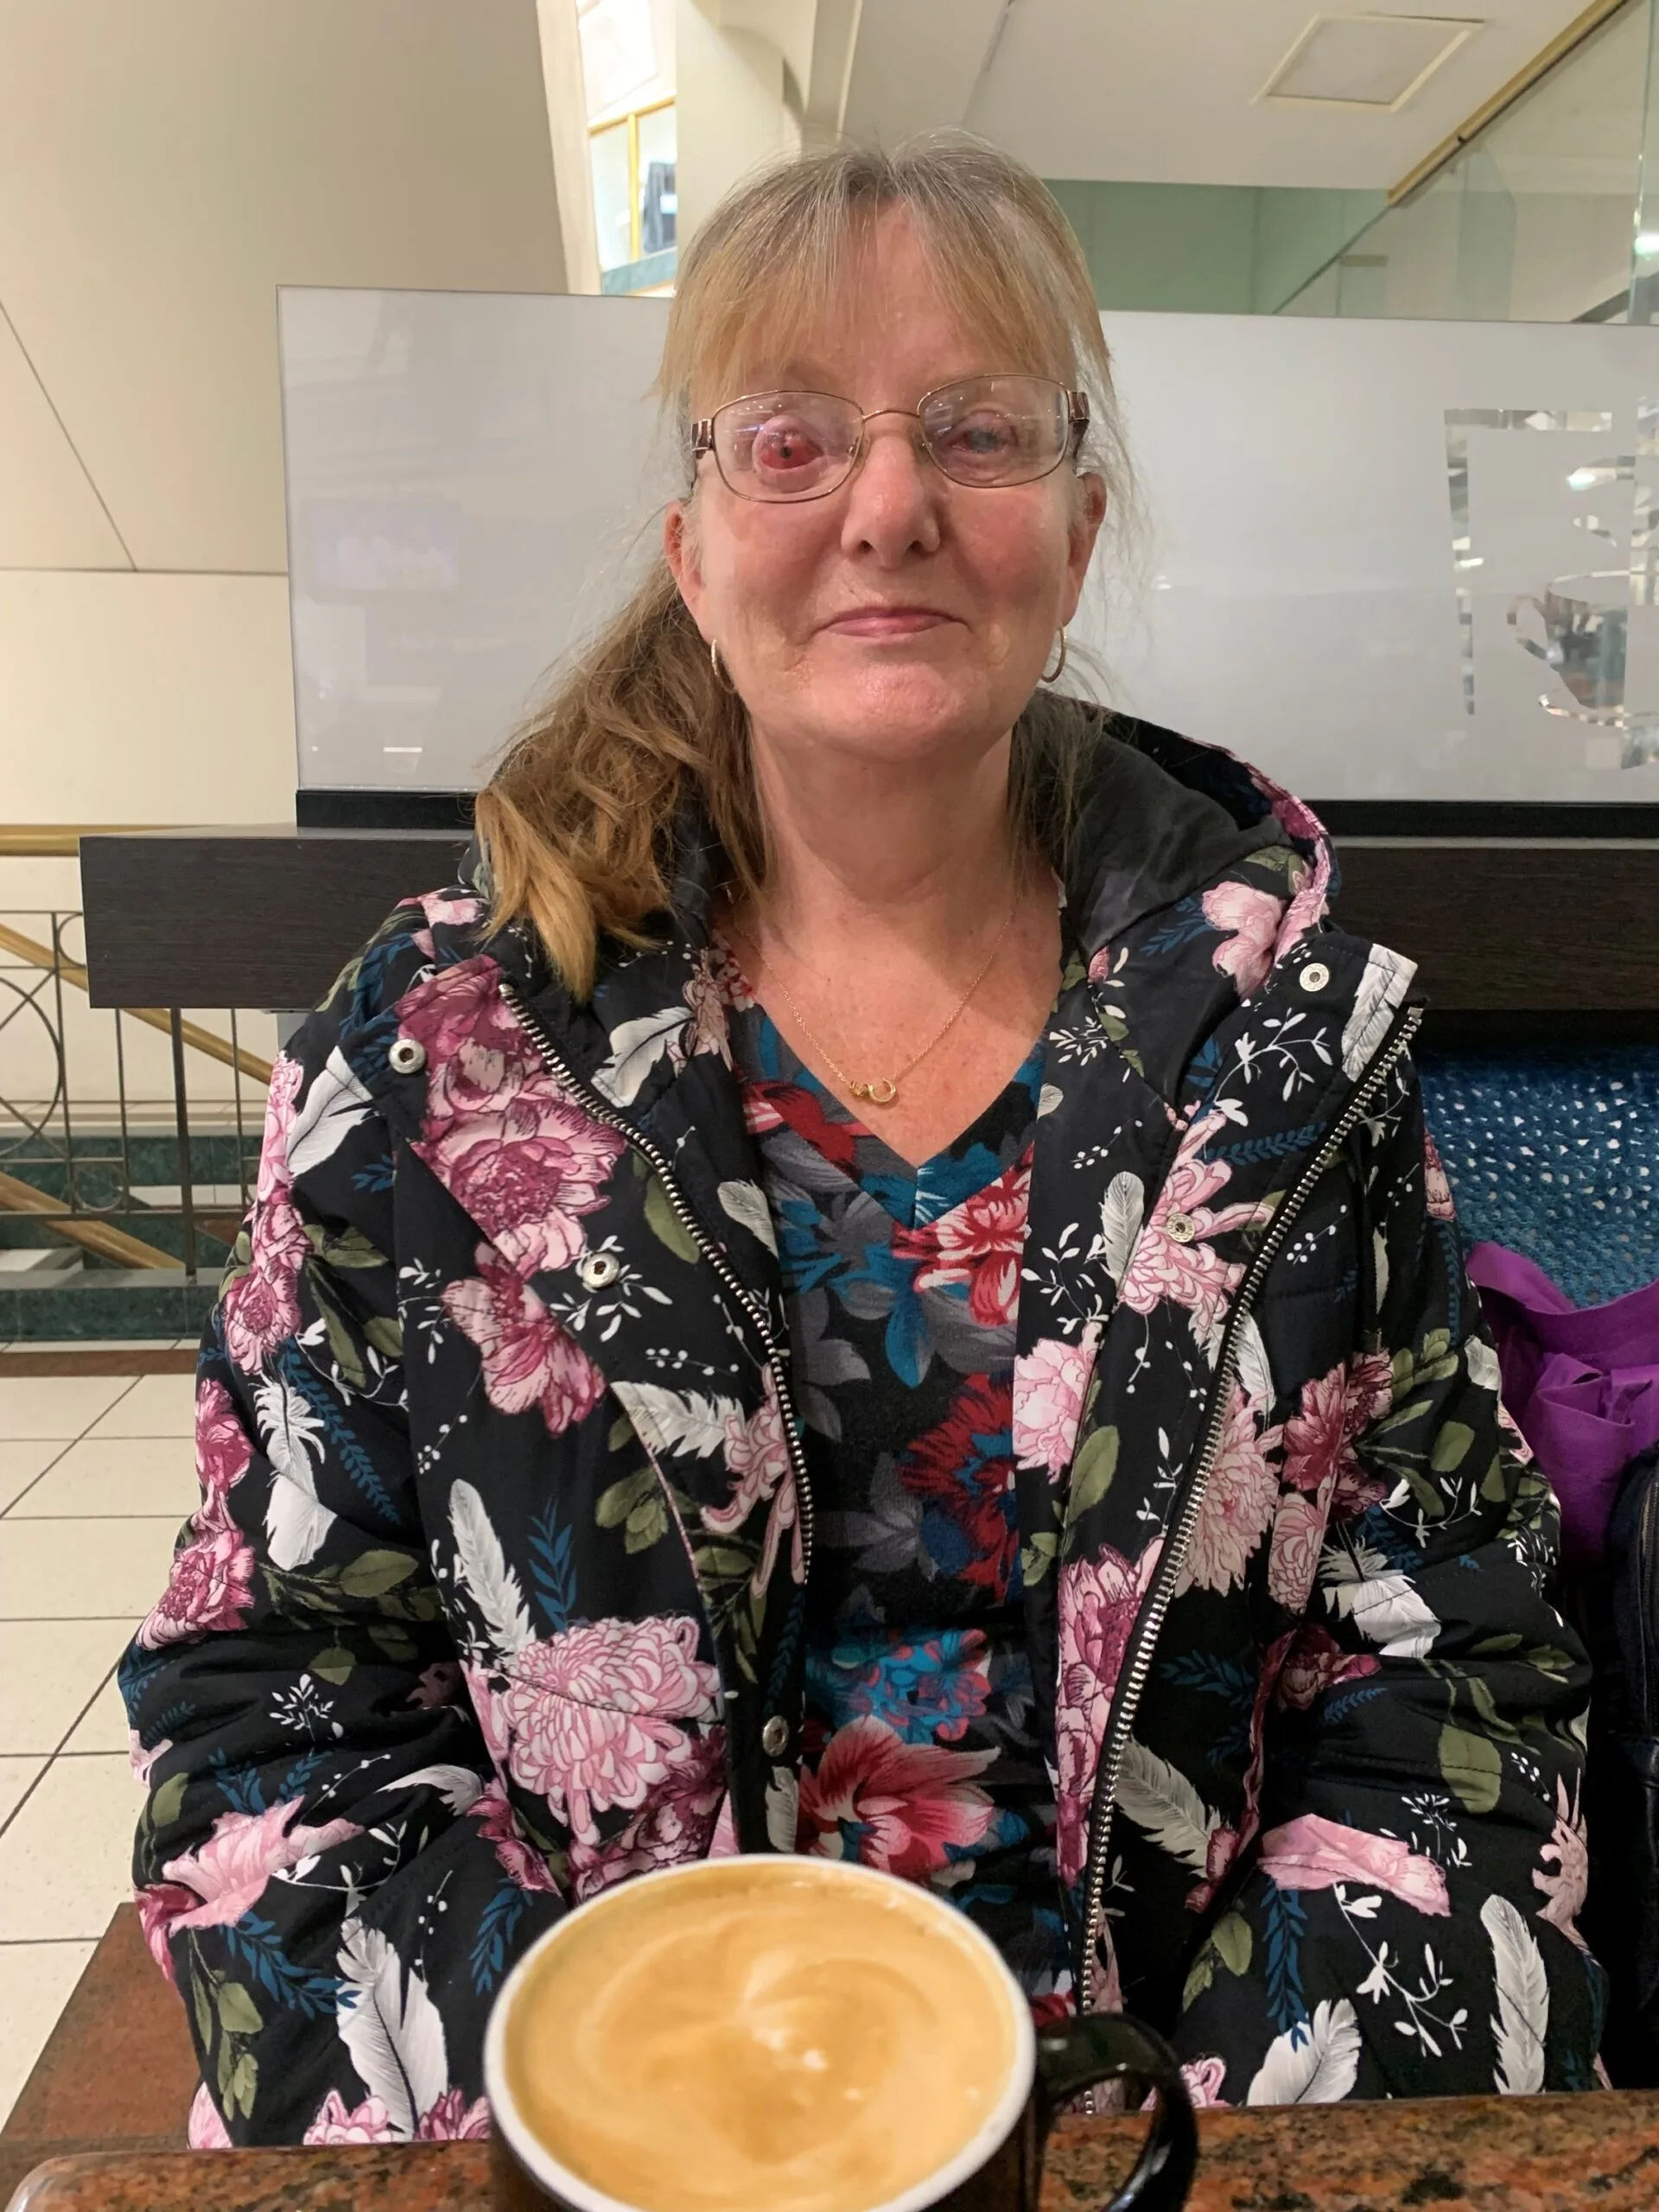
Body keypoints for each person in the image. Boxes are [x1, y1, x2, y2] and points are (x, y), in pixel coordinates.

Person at [124, 137, 1599, 2145]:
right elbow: (267, 1708)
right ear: (694, 543)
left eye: (974, 431)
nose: (891, 504)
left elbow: (1457, 1689)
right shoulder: (426, 1063)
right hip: (597, 2150)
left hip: (1161, 2122)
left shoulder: (1295, 1053)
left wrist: (1199, 2144)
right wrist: (586, 2128)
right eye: (795, 439)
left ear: (1076, 532)